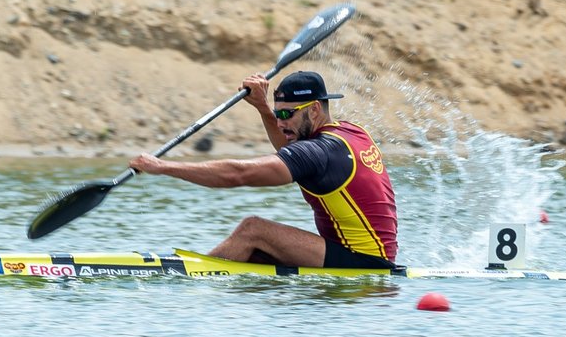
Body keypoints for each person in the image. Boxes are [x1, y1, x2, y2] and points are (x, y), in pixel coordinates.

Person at [128, 70, 399, 269]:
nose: (281, 123)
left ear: (315, 110)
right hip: (366, 254)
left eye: (287, 114)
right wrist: (263, 108)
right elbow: (290, 150)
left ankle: (189, 275)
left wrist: (162, 167)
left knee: (253, 230)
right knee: (250, 254)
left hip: (366, 263)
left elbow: (238, 175)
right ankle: (205, 268)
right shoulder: (351, 132)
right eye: (278, 113)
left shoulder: (320, 152)